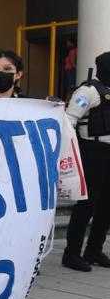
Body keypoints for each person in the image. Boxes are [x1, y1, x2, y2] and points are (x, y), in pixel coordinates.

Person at [62, 51, 110, 272]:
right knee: (87, 205)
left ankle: (94, 250)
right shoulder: (89, 91)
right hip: (92, 152)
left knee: (106, 205)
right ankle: (71, 254)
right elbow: (69, 120)